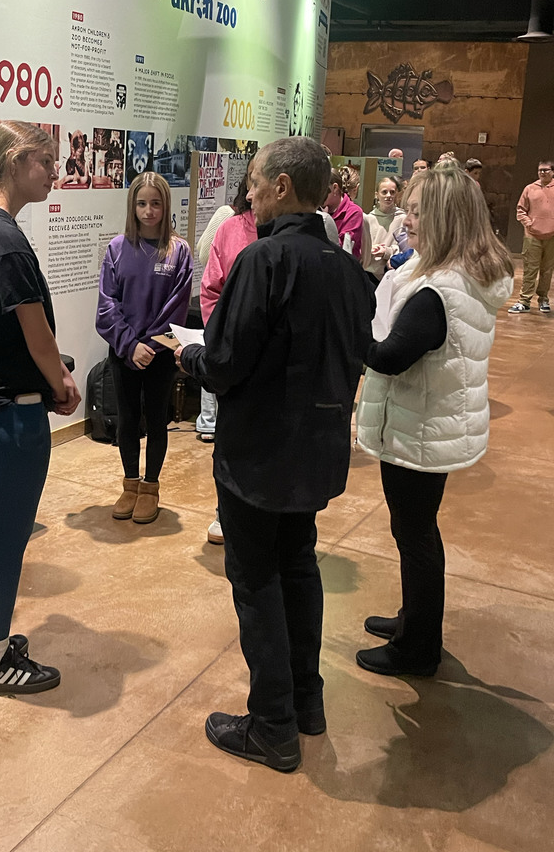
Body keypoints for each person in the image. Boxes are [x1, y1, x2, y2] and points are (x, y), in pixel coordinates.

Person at [177, 137, 374, 773]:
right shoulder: (347, 271)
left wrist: (189, 357)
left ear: (283, 188)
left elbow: (226, 363)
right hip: (317, 452)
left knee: (256, 579)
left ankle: (272, 726)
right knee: (299, 567)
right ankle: (306, 702)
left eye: (256, 184)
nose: (250, 195)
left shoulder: (263, 261)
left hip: (259, 455)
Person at [355, 167, 513, 677]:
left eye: (418, 211)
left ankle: (417, 647)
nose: (407, 219)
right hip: (431, 423)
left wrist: (346, 327)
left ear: (444, 217)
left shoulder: (437, 292)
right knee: (419, 532)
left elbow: (389, 357)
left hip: (421, 427)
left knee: (415, 535)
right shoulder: (460, 276)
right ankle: (413, 621)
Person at [0, 121, 81, 693]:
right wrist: (61, 383)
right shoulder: (3, 238)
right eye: (46, 160)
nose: (55, 170)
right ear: (15, 159)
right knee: (8, 539)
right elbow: (37, 336)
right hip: (14, 409)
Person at [96, 172, 193, 525]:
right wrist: (129, 345)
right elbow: (107, 306)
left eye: (155, 203)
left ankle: (150, 487)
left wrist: (149, 345)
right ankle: (130, 485)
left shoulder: (179, 252)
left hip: (160, 355)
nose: (149, 211)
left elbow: (176, 309)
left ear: (165, 206)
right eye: (141, 203)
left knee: (156, 419)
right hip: (124, 353)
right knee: (126, 419)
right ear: (132, 207)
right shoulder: (117, 249)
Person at [199, 174, 258, 544]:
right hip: (234, 357)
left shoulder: (308, 231)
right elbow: (211, 289)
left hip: (276, 366)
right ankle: (225, 511)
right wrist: (221, 342)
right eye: (250, 183)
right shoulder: (230, 227)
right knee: (229, 438)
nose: (253, 192)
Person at [508, 159, 554, 314]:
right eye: (540, 170)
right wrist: (529, 223)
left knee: (547, 270)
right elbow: (520, 210)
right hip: (532, 236)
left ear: (552, 172)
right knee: (530, 269)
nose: (542, 172)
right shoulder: (529, 188)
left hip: (552, 237)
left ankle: (543, 300)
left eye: (546, 170)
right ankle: (524, 301)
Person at [365, 176, 407, 283]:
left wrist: (387, 252)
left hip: (392, 273)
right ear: (377, 194)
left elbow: (407, 249)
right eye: (384, 192)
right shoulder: (368, 219)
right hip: (370, 273)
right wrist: (370, 248)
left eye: (392, 192)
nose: (388, 196)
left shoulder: (402, 218)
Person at [323, 167, 365, 258]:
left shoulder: (354, 212)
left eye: (323, 189)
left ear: (335, 188)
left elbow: (343, 247)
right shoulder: (317, 208)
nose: (318, 193)